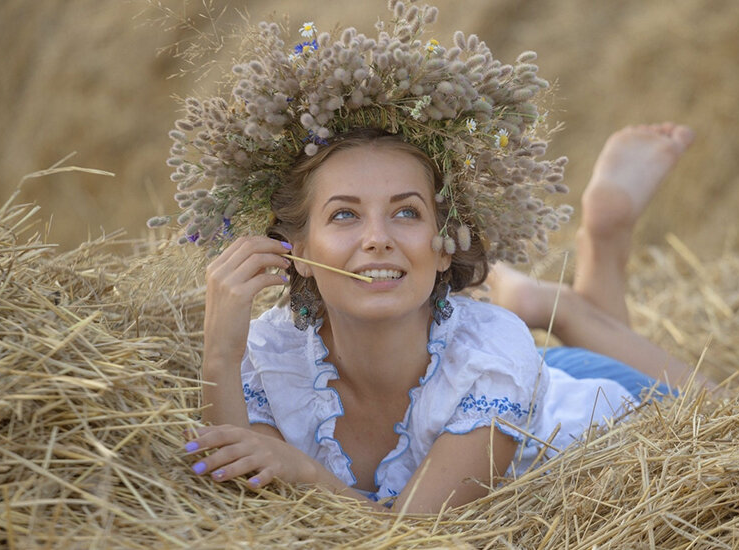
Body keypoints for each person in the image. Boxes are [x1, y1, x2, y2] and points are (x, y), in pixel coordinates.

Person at [158, 6, 709, 514]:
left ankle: (572, 291)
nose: (377, 238)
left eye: (406, 212)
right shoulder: (268, 357)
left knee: (733, 414)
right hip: (491, 379)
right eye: (345, 215)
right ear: (297, 252)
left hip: (575, 403)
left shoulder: (491, 360)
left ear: (444, 246)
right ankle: (554, 291)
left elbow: (418, 534)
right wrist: (219, 356)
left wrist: (304, 472)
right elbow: (244, 503)